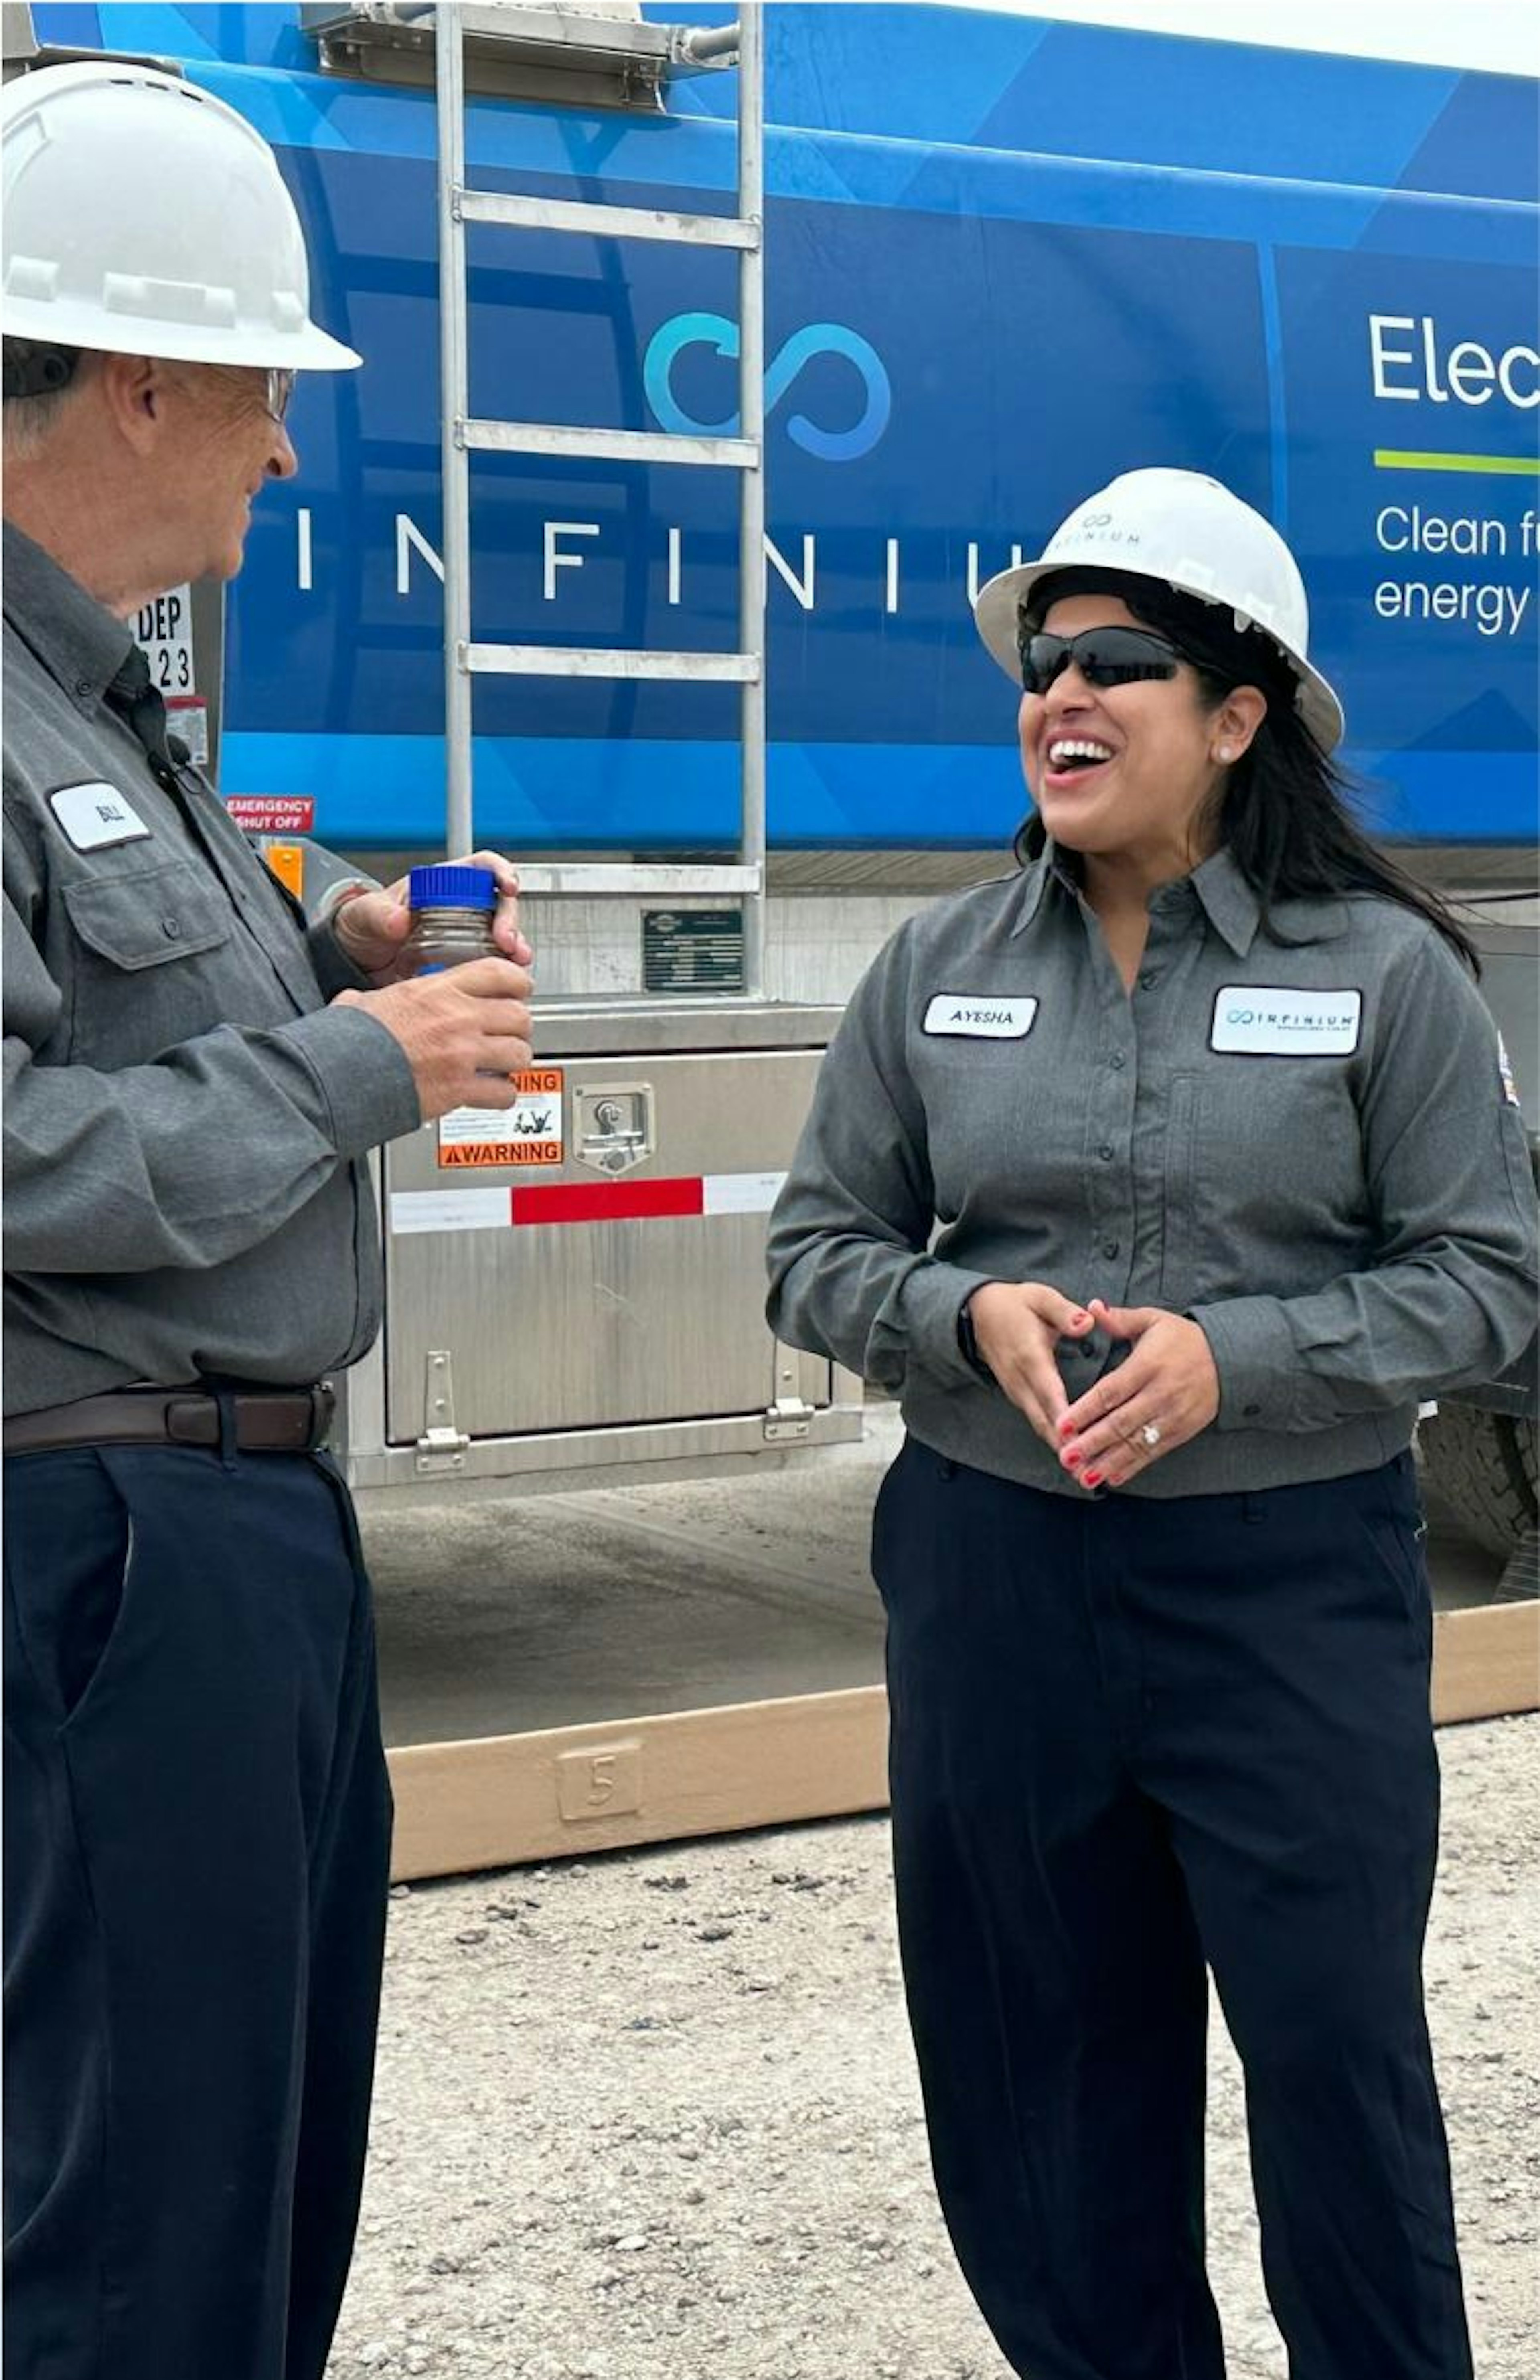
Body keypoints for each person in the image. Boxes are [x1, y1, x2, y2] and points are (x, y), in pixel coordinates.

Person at [766, 466, 1537, 2380]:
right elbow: (811, 1251)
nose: (1063, 698)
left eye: (1120, 660)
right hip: (995, 1576)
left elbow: (1492, 1282)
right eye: (1044, 666)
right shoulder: (933, 970)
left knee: (1335, 2061)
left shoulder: (1385, 977)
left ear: (1239, 712)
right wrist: (963, 1308)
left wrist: (1239, 1355)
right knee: (1039, 2074)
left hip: (1287, 1593)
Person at [2, 60, 535, 2380]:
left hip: (227, 1544)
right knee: (140, 2238)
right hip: (109, 1547)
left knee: (249, 2197)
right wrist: (353, 1068)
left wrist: (331, 966)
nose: (290, 451)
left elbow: (123, 1031)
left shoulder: (104, 712)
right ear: (134, 377)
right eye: (261, 391)